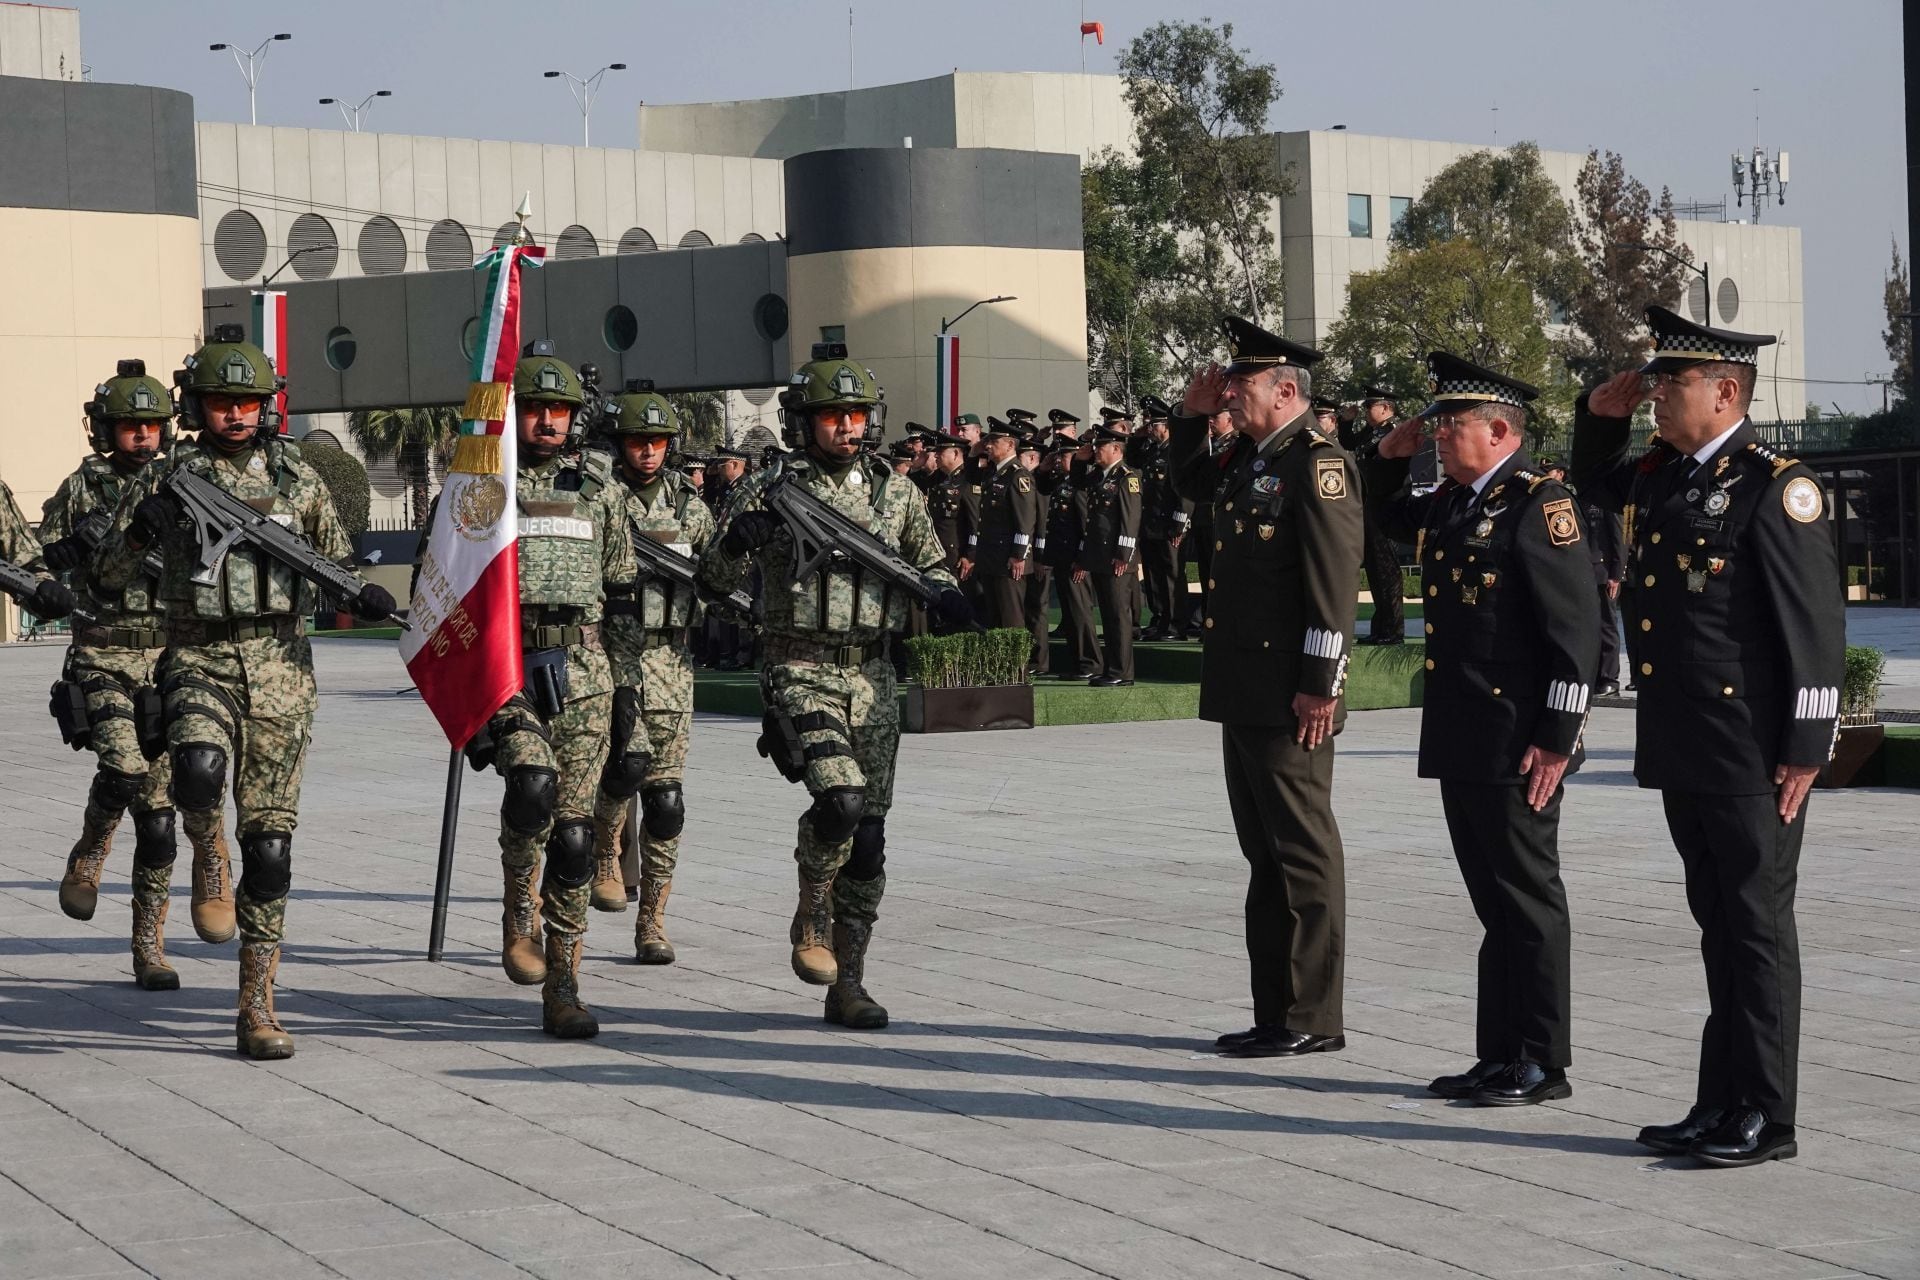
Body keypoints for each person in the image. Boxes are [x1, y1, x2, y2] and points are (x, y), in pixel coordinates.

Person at [1572, 306, 1843, 1168]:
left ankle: (1767, 1112)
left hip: (1753, 748)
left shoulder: (1775, 485)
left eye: (1671, 381)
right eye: (1653, 382)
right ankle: (1720, 1099)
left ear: (1726, 392)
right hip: (1688, 739)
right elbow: (1592, 482)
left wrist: (1807, 749)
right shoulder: (1665, 476)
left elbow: (1815, 627)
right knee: (1718, 924)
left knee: (1756, 926)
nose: (1655, 394)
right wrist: (1598, 418)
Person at [95, 325, 394, 1058]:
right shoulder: (163, 477)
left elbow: (335, 559)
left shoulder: (300, 479)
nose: (236, 414)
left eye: (249, 402)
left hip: (284, 672)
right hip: (197, 658)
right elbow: (102, 576)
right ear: (196, 404)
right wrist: (143, 534)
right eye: (222, 401)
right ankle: (208, 853)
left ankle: (256, 1004)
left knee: (270, 850)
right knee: (196, 773)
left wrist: (366, 592)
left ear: (269, 407)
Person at [700, 345, 969, 1029]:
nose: (847, 428)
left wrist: (947, 596)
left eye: (856, 415)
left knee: (871, 837)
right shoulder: (767, 489)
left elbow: (931, 561)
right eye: (832, 417)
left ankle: (848, 981)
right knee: (841, 799)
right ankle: (812, 901)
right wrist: (739, 544)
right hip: (799, 665)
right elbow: (710, 583)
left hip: (873, 672)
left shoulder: (895, 492)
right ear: (802, 423)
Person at [1369, 353, 1601, 1106]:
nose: (1437, 435)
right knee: (1493, 904)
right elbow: (1378, 514)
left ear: (1500, 429)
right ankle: (1499, 1053)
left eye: (1451, 423)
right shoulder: (1456, 502)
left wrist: (1559, 737)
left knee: (1528, 900)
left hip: (1519, 739)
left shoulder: (1541, 503)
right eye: (1435, 423)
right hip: (1464, 732)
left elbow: (1577, 632)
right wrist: (1388, 453)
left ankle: (1543, 1058)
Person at [1171, 316, 1362, 1058]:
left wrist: (1322, 686)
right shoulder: (1252, 460)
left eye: (1240, 384)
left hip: (1291, 697)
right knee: (1264, 858)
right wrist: (1189, 417)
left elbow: (1332, 586)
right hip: (1244, 689)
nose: (1228, 396)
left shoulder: (1319, 464)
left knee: (1302, 855)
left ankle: (1314, 1015)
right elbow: (1189, 482)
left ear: (1286, 390)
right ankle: (1275, 1010)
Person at [435, 340, 636, 1039]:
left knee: (576, 839)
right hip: (509, 665)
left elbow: (622, 599)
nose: (547, 422)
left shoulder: (602, 493)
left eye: (559, 410)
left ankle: (565, 979)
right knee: (532, 790)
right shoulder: (478, 488)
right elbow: (451, 586)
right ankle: (519, 897)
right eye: (535, 409)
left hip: (584, 671)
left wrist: (628, 695)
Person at [38, 362, 186, 988]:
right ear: (106, 428)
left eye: (152, 425)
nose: (143, 437)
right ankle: (91, 849)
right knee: (124, 767)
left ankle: (148, 945)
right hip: (101, 654)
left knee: (159, 823)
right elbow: (40, 561)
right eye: (130, 426)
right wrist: (61, 556)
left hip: (168, 660)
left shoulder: (185, 480)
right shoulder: (83, 486)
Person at [587, 383, 718, 968]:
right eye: (638, 441)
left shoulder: (692, 508)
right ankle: (606, 846)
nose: (648, 452)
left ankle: (654, 920)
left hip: (671, 661)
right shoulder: (595, 497)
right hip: (608, 656)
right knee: (624, 766)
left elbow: (719, 578)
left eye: (659, 442)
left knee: (666, 801)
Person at [1338, 387, 1408, 646]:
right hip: (1368, 504)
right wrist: (1347, 421)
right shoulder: (1375, 432)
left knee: (1387, 569)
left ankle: (1393, 629)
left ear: (1387, 408)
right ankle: (1381, 627)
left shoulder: (1393, 433)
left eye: (1371, 407)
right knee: (1375, 569)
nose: (1367, 412)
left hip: (1387, 505)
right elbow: (1349, 444)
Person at [1076, 422, 1140, 687]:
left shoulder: (1127, 477)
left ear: (1116, 448)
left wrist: (1123, 555)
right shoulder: (1102, 476)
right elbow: (1077, 482)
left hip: (1116, 559)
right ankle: (1112, 667)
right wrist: (1080, 459)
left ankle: (1121, 672)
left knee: (1117, 616)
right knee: (1108, 615)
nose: (1095, 451)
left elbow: (1130, 519)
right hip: (1100, 556)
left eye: (1100, 447)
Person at [966, 418, 1039, 631]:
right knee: (994, 619)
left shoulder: (1018, 476)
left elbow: (1025, 521)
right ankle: (1001, 665)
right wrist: (973, 452)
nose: (988, 445)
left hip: (1009, 561)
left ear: (1009, 445)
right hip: (991, 558)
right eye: (987, 440)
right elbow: (971, 477)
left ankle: (1018, 666)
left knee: (1011, 620)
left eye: (993, 441)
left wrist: (1019, 555)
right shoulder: (993, 472)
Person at [1038, 437, 1098, 679]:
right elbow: (1041, 487)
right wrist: (1043, 469)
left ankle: (1090, 663)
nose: (1059, 461)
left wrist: (1083, 560)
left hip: (1075, 561)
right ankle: (1078, 663)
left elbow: (1086, 525)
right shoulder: (1063, 483)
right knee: (1071, 614)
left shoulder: (1078, 487)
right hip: (1062, 558)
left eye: (1063, 456)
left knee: (1080, 613)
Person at [1135, 397, 1192, 640]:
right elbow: (1132, 460)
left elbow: (1184, 491)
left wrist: (1179, 524)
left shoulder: (1176, 451)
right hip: (1150, 523)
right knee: (1153, 574)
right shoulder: (1151, 450)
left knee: (1171, 574)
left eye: (1154, 424)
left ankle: (1175, 623)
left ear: (1166, 425)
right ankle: (1159, 618)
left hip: (1169, 523)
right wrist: (1137, 437)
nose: (1150, 429)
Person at [1184, 400, 1236, 635]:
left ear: (1231, 420)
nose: (1211, 421)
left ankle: (1221, 625)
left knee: (1223, 576)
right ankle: (1207, 622)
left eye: (1217, 417)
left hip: (1222, 520)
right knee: (1207, 573)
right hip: (1204, 518)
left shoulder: (1235, 444)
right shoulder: (1212, 444)